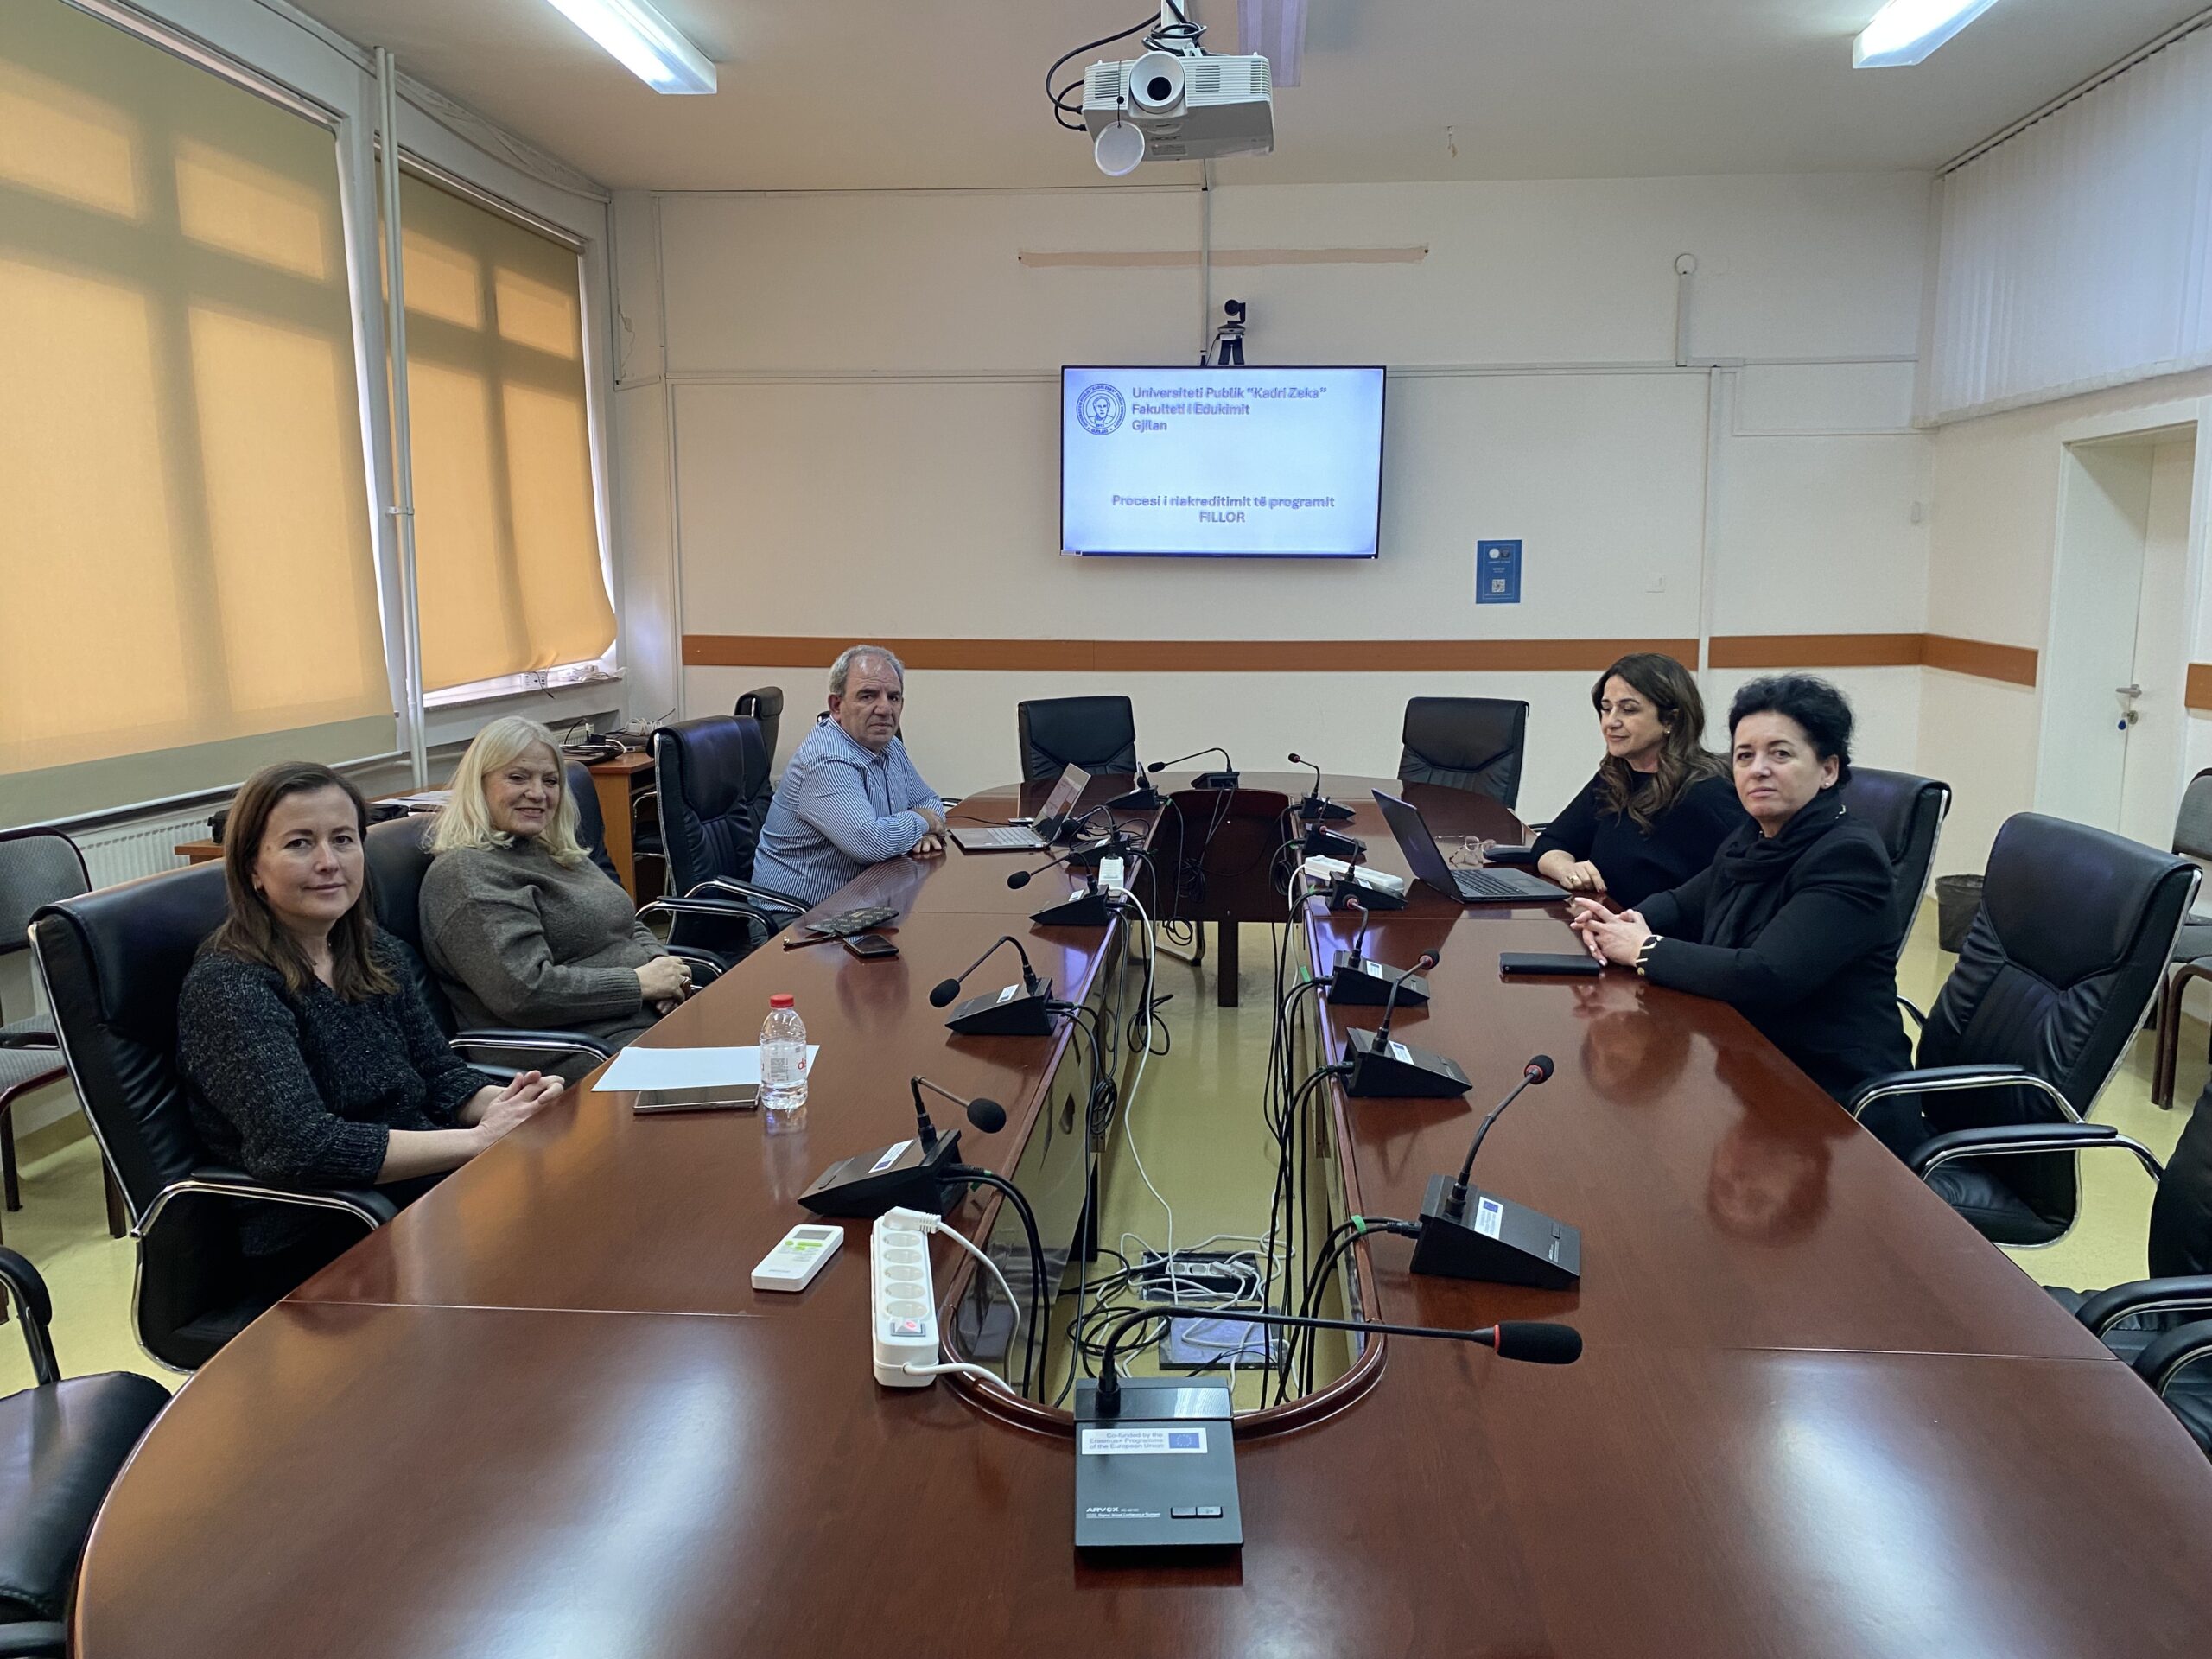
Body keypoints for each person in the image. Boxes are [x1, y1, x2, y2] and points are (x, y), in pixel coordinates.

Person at [177, 762, 562, 1286]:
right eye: (299, 844)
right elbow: (301, 1147)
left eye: (343, 840)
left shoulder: (372, 950)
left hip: (421, 1196)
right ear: (252, 869)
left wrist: (513, 1105)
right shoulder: (230, 985)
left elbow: (439, 1075)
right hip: (328, 1229)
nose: (328, 862)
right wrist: (478, 1141)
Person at [1568, 674, 1909, 1104]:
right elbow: (1684, 903)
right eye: (1745, 755)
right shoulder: (1755, 836)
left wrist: (1643, 949)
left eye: (1780, 754)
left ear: (1828, 770)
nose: (1758, 769)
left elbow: (1764, 974)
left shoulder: (1847, 858)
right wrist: (1619, 923)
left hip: (1832, 1096)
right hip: (1750, 1062)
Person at [419, 717, 692, 1080]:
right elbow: (525, 992)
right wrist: (640, 983)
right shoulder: (467, 873)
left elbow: (626, 922)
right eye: (518, 778)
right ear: (478, 784)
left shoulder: (550, 849)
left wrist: (663, 968)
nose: (537, 793)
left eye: (550, 781)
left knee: (761, 1039)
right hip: (579, 1054)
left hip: (643, 1023)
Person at [1534, 652, 1745, 907]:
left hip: (1658, 931)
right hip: (1605, 922)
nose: (1611, 722)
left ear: (1670, 719)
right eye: (1606, 709)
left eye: (1628, 710)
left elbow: (1742, 885)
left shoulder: (1707, 792)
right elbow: (1550, 844)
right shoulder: (1613, 779)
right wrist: (1566, 869)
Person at [751, 644, 949, 906]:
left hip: (862, 903)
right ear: (836, 705)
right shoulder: (826, 760)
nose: (884, 709)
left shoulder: (889, 746)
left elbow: (929, 801)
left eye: (894, 697)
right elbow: (871, 843)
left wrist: (924, 829)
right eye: (868, 696)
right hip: (799, 916)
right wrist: (923, 822)